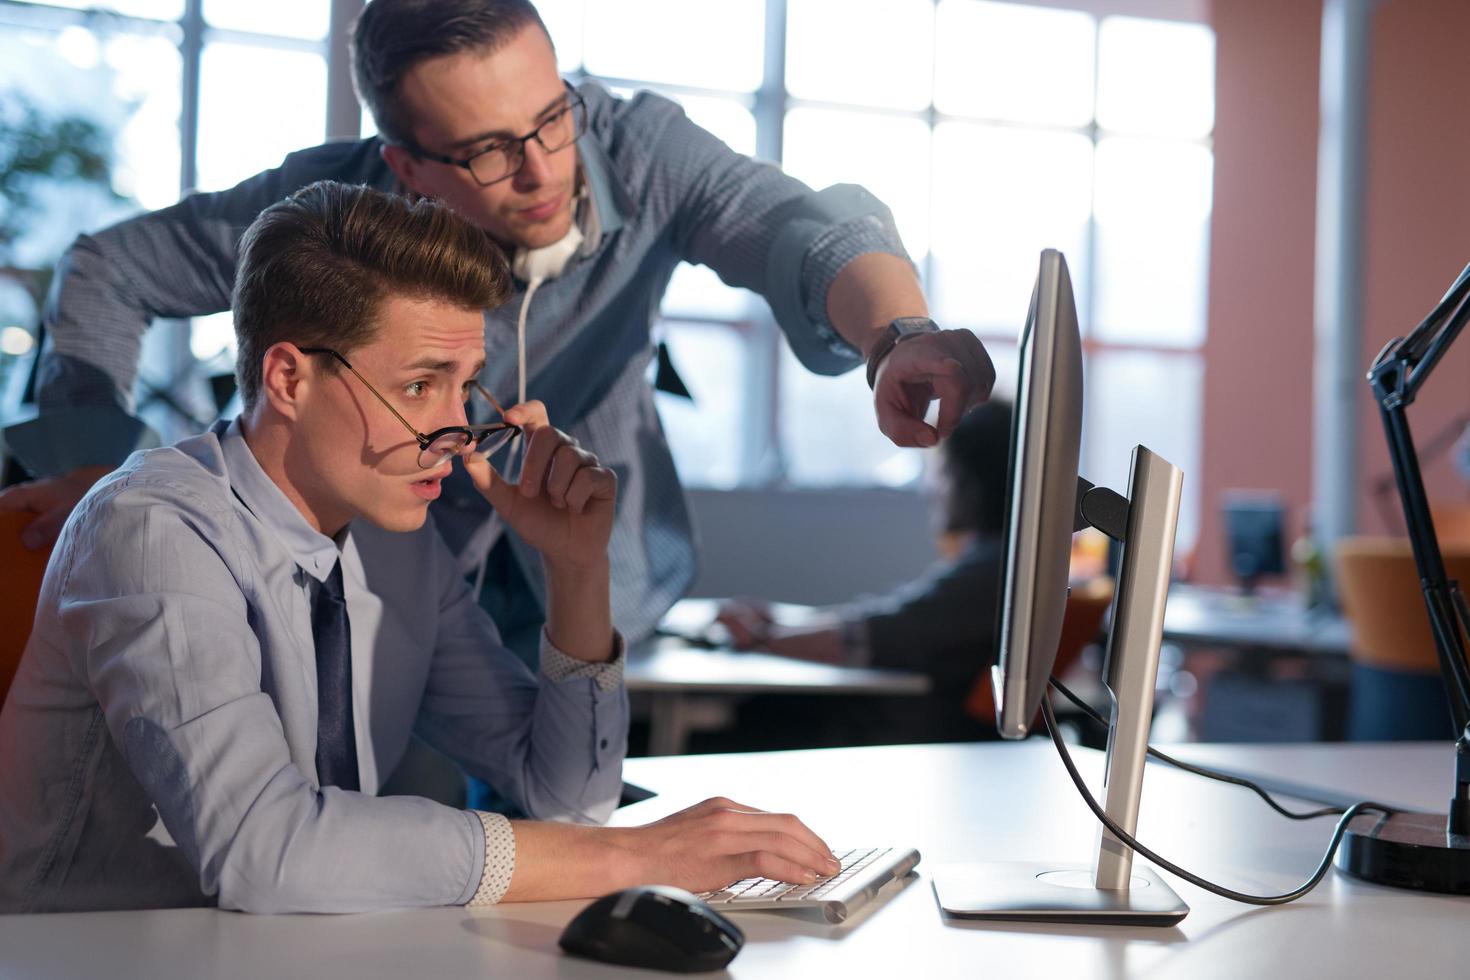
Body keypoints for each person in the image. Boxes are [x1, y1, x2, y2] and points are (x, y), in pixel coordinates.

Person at [0, 0, 995, 656]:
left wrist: (895, 332)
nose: (543, 170)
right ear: (406, 166)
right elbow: (106, 271)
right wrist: (93, 473)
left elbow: (805, 230)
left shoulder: (638, 152)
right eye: (486, 151)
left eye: (551, 118)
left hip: (601, 581)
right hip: (384, 606)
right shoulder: (327, 211)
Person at [0, 182, 839, 914]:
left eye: (462, 385)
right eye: (417, 385)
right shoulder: (152, 531)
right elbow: (267, 850)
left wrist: (576, 569)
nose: (452, 432)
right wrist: (640, 855)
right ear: (290, 379)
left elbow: (563, 795)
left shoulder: (394, 545)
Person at [711, 400, 1015, 748]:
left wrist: (760, 637)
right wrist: (782, 623)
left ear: (972, 481)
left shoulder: (991, 572)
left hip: (891, 738)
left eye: (942, 472)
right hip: (907, 731)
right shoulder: (993, 564)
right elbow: (889, 615)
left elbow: (872, 633)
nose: (932, 489)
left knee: (746, 716)